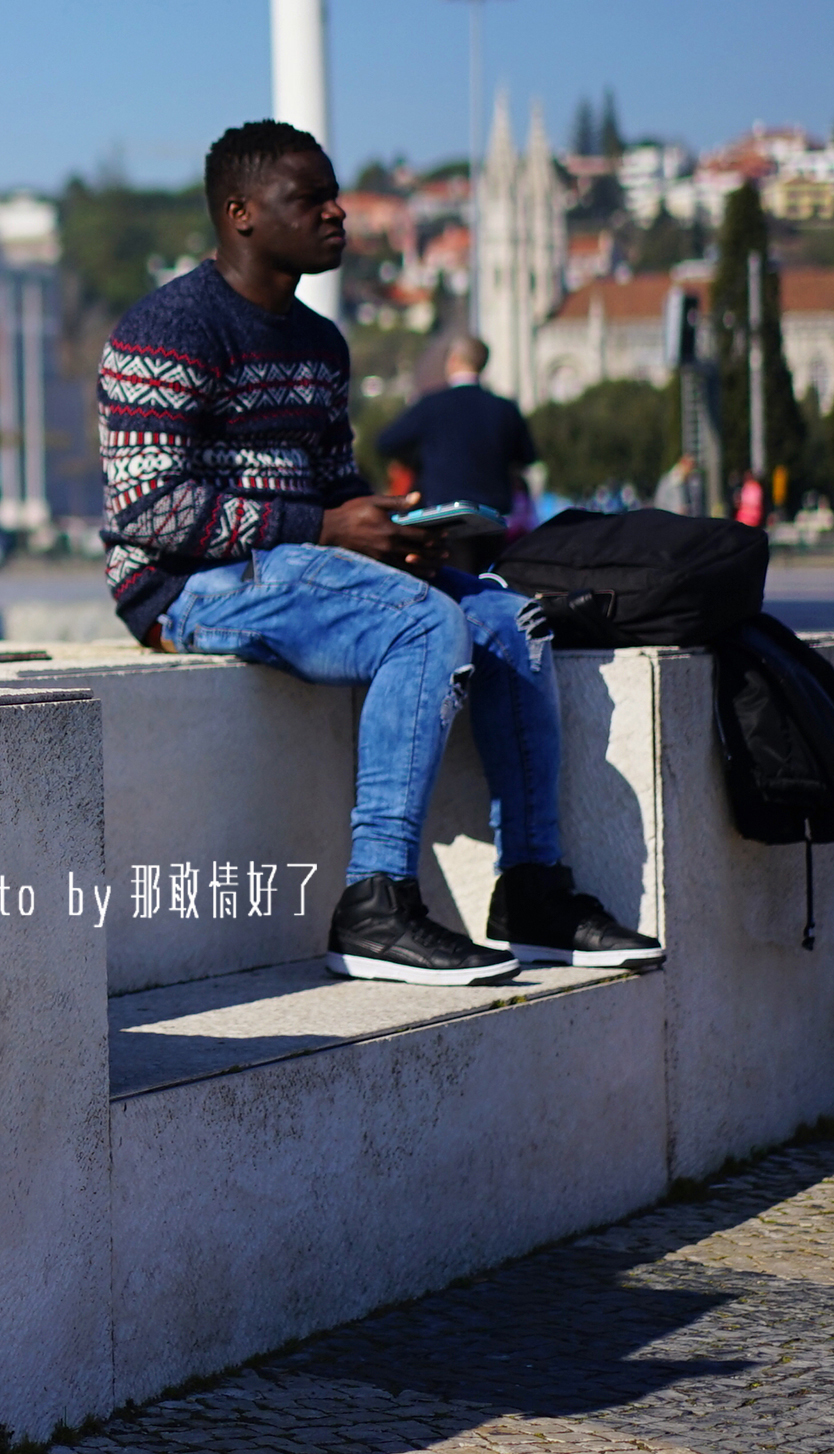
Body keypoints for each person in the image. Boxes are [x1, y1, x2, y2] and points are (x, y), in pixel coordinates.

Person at [99, 120, 661, 986]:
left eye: (337, 194)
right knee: (426, 626)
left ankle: (532, 890)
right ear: (241, 213)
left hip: (289, 563)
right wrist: (326, 529)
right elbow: (150, 510)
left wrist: (395, 529)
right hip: (185, 586)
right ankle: (376, 901)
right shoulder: (170, 328)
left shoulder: (320, 343)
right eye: (311, 198)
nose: (338, 212)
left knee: (512, 619)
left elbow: (331, 483)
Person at [373, 336, 538, 521]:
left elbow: (386, 442)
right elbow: (527, 456)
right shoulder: (505, 409)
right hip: (492, 514)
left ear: (454, 360)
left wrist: (419, 458)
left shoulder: (432, 405)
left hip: (440, 510)